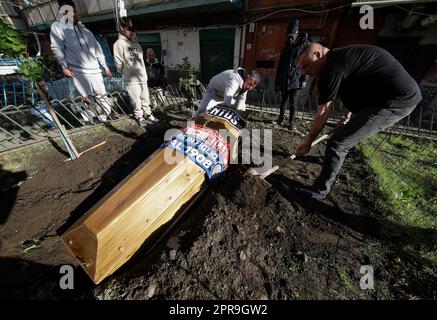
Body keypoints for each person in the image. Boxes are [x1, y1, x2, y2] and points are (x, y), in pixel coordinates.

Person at [294, 43, 422, 199]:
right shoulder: (339, 60)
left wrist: (308, 142)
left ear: (317, 55)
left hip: (397, 99)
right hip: (378, 97)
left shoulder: (332, 68)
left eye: (306, 66)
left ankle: (319, 191)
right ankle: (333, 160)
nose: (305, 72)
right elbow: (356, 86)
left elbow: (322, 112)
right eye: (302, 69)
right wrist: (348, 116)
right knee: (344, 136)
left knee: (338, 142)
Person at [50, 0, 113, 122]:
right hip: (77, 69)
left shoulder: (85, 30)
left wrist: (105, 66)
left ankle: (108, 114)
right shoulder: (58, 27)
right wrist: (64, 66)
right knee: (86, 95)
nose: (73, 15)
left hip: (95, 68)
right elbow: (57, 47)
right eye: (68, 13)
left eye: (74, 12)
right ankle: (92, 117)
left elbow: (97, 48)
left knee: (102, 93)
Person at [113, 18, 159, 127]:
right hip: (131, 77)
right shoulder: (118, 44)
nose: (132, 32)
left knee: (145, 98)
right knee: (136, 99)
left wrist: (144, 73)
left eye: (133, 30)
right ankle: (139, 116)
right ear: (123, 29)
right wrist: (124, 72)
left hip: (142, 76)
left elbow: (141, 59)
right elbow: (118, 61)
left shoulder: (136, 43)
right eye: (129, 30)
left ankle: (148, 114)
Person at [275, 18, 310, 130]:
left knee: (293, 103)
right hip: (285, 79)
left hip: (296, 79)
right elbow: (280, 66)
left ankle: (291, 123)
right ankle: (280, 119)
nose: (289, 38)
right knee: (283, 101)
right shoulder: (286, 48)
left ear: (296, 35)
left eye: (291, 36)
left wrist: (304, 78)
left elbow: (307, 63)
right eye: (288, 36)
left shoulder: (303, 47)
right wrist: (277, 81)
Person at [195, 68, 260, 117]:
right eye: (250, 84)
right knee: (202, 112)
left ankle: (236, 128)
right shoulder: (234, 79)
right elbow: (227, 100)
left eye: (252, 87)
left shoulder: (246, 83)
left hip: (224, 95)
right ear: (247, 76)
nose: (250, 87)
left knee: (242, 107)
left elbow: (242, 99)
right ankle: (191, 128)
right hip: (214, 93)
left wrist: (237, 113)